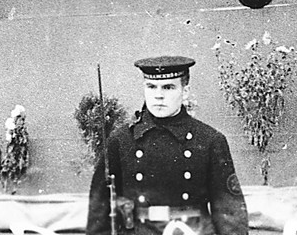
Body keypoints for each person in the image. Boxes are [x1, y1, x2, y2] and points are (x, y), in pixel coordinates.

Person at [87, 56, 248, 235]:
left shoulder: (209, 140)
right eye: (151, 87)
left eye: (168, 87)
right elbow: (99, 207)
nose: (158, 95)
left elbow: (229, 210)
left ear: (185, 91)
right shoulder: (121, 140)